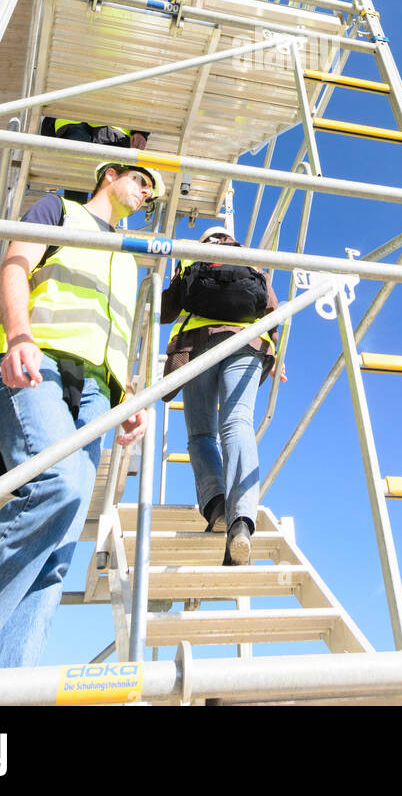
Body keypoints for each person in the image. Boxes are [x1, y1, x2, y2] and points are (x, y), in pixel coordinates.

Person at [0, 160, 162, 673]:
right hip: (36, 364)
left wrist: (131, 396)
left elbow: (118, 336)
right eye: (140, 180)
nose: (146, 193)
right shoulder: (59, 209)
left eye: (152, 191)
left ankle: (6, 687)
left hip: (98, 395)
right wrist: (19, 334)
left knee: (58, 549)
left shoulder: (131, 260)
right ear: (109, 175)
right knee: (58, 487)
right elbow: (16, 264)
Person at [160, 226, 282, 565]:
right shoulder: (252, 261)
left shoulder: (193, 257)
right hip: (248, 342)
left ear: (206, 240)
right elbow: (272, 309)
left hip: (197, 345)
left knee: (201, 434)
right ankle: (242, 519)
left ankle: (216, 505)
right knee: (238, 422)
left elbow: (166, 311)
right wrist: (277, 358)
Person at [40, 117, 151, 202]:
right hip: (77, 123)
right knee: (79, 172)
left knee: (103, 183)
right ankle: (74, 221)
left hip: (111, 130)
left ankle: (77, 221)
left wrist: (141, 132)